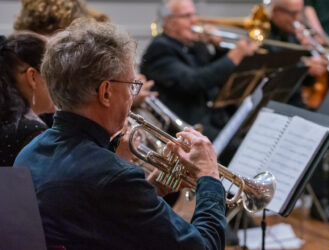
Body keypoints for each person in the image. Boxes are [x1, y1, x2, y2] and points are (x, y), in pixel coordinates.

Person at [13, 19, 226, 249]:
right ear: (105, 93)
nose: (132, 96)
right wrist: (209, 177)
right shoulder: (113, 178)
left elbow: (95, 218)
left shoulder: (29, 154)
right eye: (131, 86)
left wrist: (152, 190)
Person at [140, 0, 258, 140]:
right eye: (187, 16)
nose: (194, 20)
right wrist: (233, 57)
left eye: (194, 14)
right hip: (189, 128)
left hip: (215, 118)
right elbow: (193, 81)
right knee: (238, 146)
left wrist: (219, 49)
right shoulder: (159, 49)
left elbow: (218, 78)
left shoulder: (195, 45)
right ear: (169, 22)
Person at [0, 32, 54, 166]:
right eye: (53, 75)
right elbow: (25, 187)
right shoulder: (29, 131)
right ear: (33, 77)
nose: (58, 85)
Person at [267, 0, 328, 108]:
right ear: (276, 11)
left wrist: (307, 51)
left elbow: (307, 83)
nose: (297, 18)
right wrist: (304, 67)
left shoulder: (293, 34)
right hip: (272, 105)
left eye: (299, 12)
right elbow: (271, 72)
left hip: (295, 103)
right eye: (293, 13)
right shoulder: (263, 33)